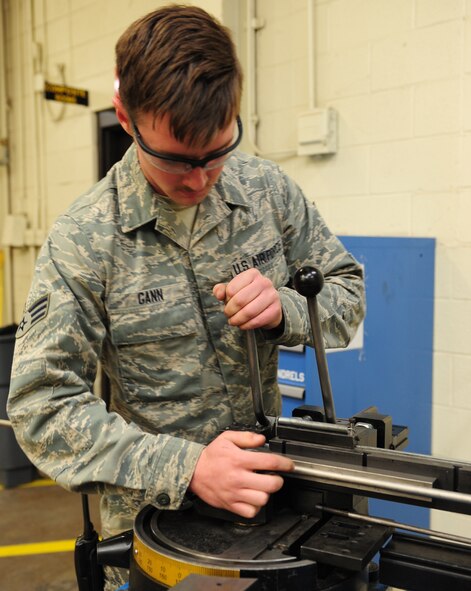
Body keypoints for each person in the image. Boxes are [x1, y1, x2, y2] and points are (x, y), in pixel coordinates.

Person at [7, 4, 365, 589]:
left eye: (216, 151)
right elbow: (40, 407)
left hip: (275, 518)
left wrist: (287, 310)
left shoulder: (268, 193)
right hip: (155, 542)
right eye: (175, 159)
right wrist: (188, 466)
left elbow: (347, 295)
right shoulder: (85, 240)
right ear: (126, 117)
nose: (199, 179)